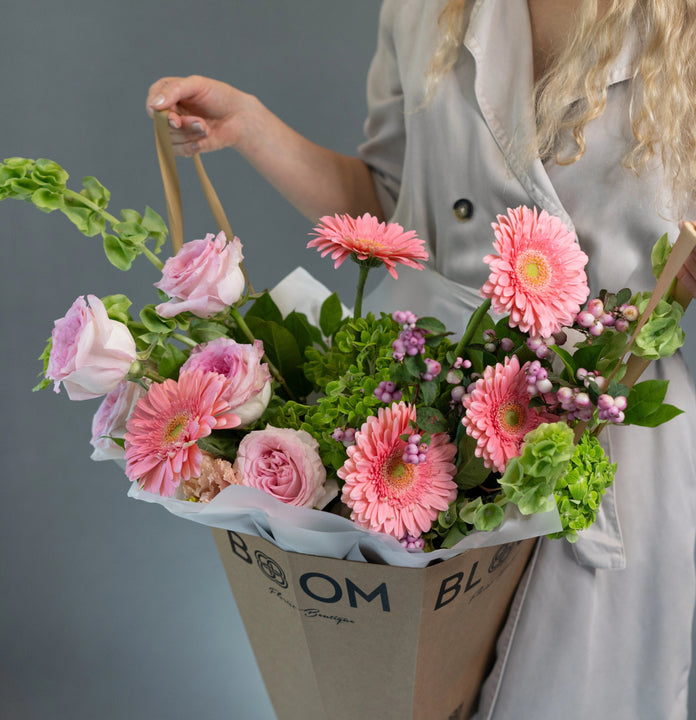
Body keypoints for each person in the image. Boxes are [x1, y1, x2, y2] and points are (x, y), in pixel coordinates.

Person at [146, 1, 696, 718]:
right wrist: (250, 125)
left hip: (610, 444)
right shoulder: (423, 9)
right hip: (435, 429)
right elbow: (386, 209)